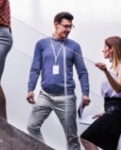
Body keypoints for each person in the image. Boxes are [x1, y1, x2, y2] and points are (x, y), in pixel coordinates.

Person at [26, 11, 90, 149]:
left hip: (66, 98)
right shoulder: (41, 44)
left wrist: (86, 93)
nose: (68, 30)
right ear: (56, 24)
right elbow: (35, 69)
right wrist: (30, 89)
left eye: (70, 27)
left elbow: (82, 72)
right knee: (32, 126)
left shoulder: (74, 46)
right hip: (46, 95)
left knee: (72, 138)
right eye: (65, 26)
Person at [80, 36, 121, 150]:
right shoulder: (113, 68)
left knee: (86, 138)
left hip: (116, 112)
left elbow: (118, 88)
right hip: (113, 110)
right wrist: (104, 111)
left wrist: (105, 72)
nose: (103, 49)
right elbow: (113, 97)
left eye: (105, 46)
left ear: (112, 49)